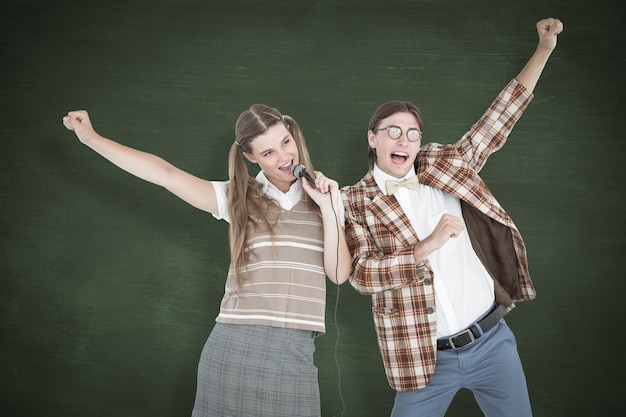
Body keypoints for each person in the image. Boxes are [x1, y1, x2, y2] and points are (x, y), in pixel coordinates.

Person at [62, 104, 351, 417]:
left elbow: (337, 274)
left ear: (293, 135)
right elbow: (165, 174)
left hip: (295, 351)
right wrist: (90, 138)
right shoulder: (237, 197)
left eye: (285, 142)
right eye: (268, 153)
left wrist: (328, 207)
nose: (284, 157)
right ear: (251, 157)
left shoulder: (331, 200)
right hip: (233, 347)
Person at [341, 18, 563, 417]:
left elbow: (498, 120)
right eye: (393, 131)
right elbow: (360, 274)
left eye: (413, 133)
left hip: (493, 342)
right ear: (372, 138)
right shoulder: (352, 200)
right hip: (422, 360)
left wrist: (544, 49)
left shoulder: (445, 166)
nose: (404, 140)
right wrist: (424, 248)